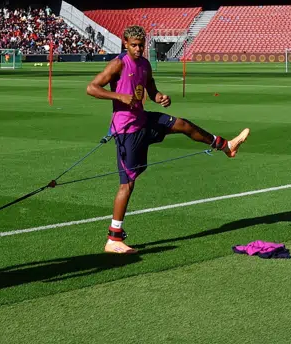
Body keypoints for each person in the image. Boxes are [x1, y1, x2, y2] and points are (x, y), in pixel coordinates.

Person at [87, 25, 250, 255]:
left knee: (182, 124)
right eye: (134, 45)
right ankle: (113, 239)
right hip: (126, 130)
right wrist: (119, 96)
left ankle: (226, 146)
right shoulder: (118, 64)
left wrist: (161, 97)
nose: (138, 49)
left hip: (144, 120)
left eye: (141, 45)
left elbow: (151, 91)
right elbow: (92, 88)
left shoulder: (145, 64)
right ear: (125, 43)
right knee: (127, 184)